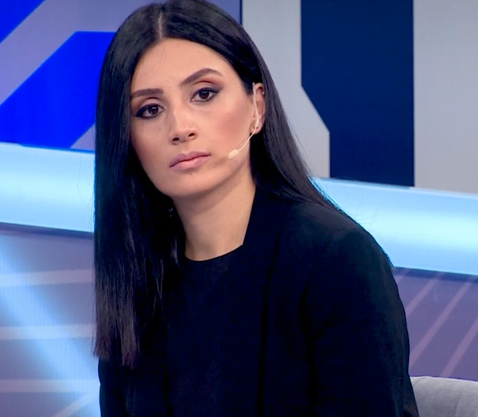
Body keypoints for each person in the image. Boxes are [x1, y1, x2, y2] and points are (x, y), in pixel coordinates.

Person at [93, 0, 418, 416]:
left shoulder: (335, 259)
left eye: (204, 94)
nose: (180, 127)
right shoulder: (138, 274)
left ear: (256, 108)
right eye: (150, 110)